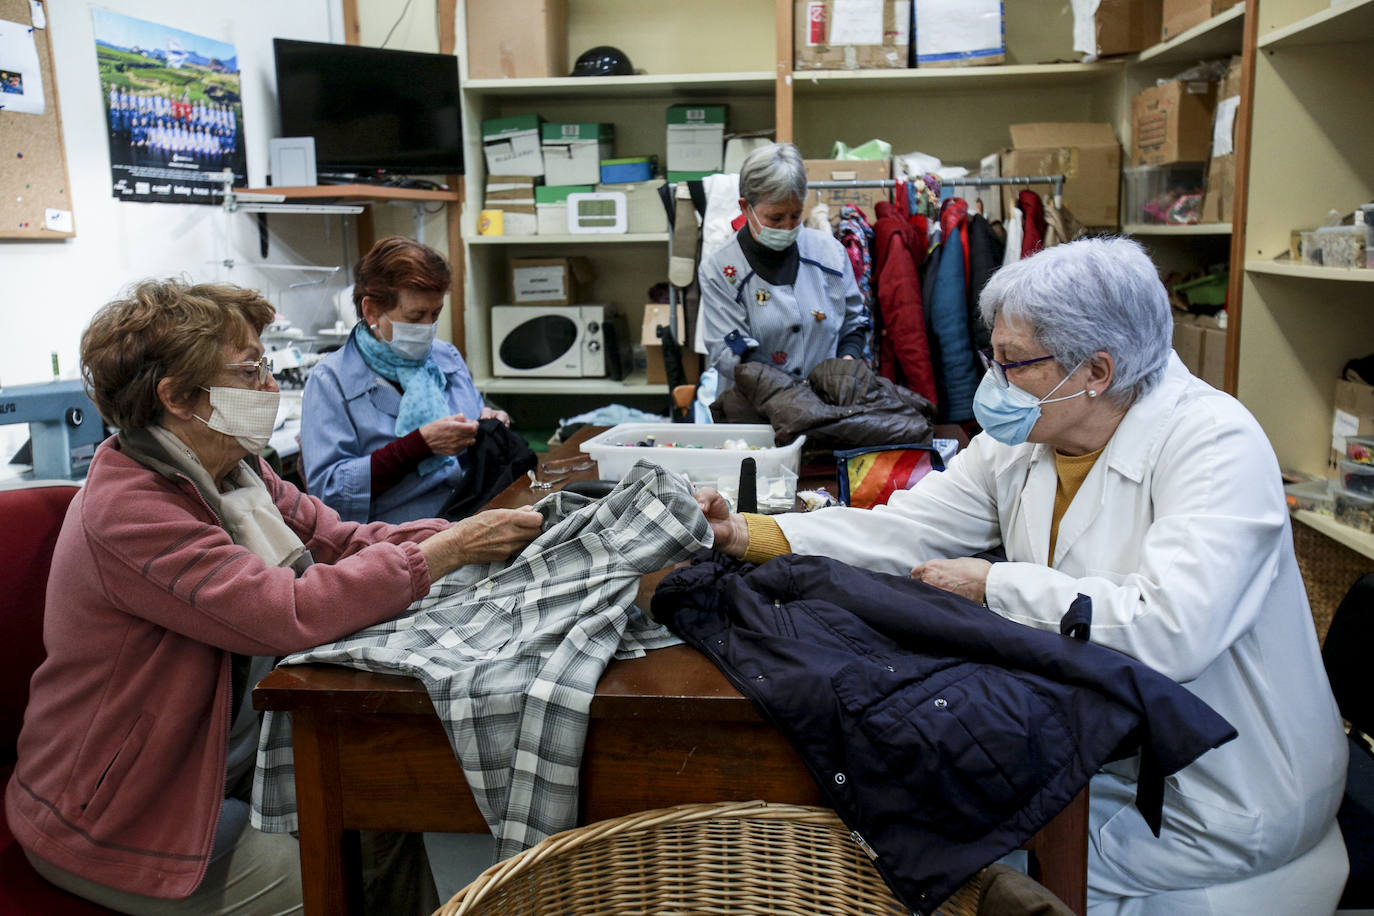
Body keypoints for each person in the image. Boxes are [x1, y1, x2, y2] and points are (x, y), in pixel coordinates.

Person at [695, 237, 1350, 914]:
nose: (993, 382)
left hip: (1229, 794)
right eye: (993, 358)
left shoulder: (1215, 444)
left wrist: (994, 586)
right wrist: (747, 534)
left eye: (1013, 364)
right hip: (1116, 749)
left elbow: (1171, 627)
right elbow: (905, 527)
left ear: (1097, 369)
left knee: (960, 866)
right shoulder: (1030, 440)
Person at [3, 279, 543, 915]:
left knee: (385, 808)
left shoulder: (236, 469)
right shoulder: (131, 510)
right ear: (177, 397)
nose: (271, 388)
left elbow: (340, 540)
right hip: (118, 812)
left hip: (218, 763)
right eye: (251, 370)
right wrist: (445, 552)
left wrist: (464, 533)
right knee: (327, 874)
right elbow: (288, 611)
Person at [303, 236, 510, 524]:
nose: (427, 328)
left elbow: (472, 434)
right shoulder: (331, 380)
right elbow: (329, 493)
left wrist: (489, 425)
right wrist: (418, 447)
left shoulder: (445, 357)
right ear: (371, 310)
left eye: (435, 314)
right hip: (396, 538)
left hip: (470, 511)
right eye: (414, 317)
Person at [699, 142, 867, 390]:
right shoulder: (720, 270)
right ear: (746, 208)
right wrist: (788, 392)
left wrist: (846, 365)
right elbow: (730, 347)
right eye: (775, 218)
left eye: (795, 216)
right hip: (752, 416)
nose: (787, 227)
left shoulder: (830, 255)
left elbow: (855, 322)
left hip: (824, 410)